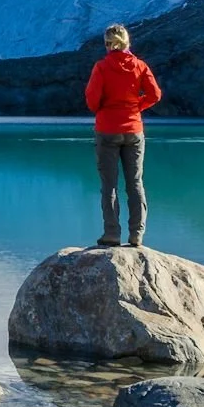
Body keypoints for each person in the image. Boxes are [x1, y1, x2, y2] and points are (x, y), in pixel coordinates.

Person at [84, 24, 162, 248]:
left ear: (108, 44)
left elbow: (91, 100)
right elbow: (155, 94)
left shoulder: (101, 67)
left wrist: (105, 109)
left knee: (109, 185)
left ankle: (112, 234)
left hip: (107, 129)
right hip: (134, 130)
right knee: (135, 183)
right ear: (127, 42)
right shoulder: (139, 66)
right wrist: (137, 106)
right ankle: (137, 235)